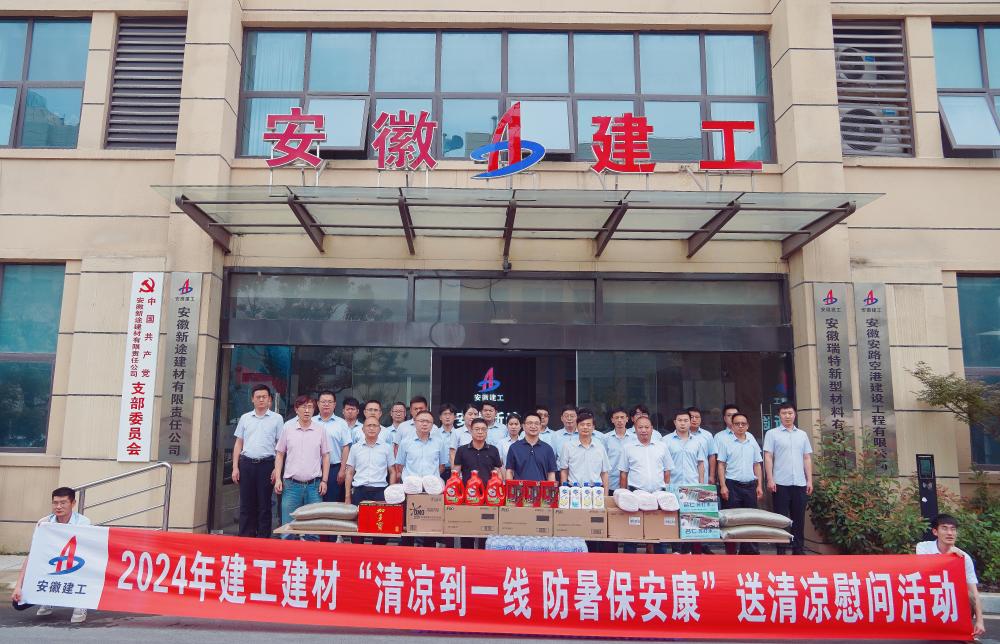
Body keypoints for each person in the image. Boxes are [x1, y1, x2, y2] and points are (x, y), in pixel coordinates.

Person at [11, 487, 91, 623]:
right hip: (52, 563)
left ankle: (80, 603)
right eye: (55, 503)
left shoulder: (83, 522)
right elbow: (33, 554)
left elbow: (88, 552)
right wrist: (18, 586)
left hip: (75, 563)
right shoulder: (44, 523)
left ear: (73, 503)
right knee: (18, 603)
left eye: (63, 503)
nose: (58, 507)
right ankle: (48, 598)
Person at [916, 514, 986, 639]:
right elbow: (926, 571)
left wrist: (980, 621)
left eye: (953, 529)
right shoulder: (923, 547)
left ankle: (960, 629)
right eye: (944, 528)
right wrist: (949, 556)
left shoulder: (964, 557)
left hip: (950, 595)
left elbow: (974, 592)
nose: (950, 533)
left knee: (969, 596)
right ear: (935, 532)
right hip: (929, 593)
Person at [274, 395, 330, 541]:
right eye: (303, 407)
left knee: (313, 530)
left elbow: (326, 456)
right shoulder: (288, 428)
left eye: (310, 407)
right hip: (291, 486)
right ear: (296, 409)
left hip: (314, 486)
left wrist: (324, 480)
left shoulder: (320, 430)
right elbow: (280, 454)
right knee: (288, 529)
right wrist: (278, 479)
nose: (307, 410)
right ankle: (288, 555)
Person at [232, 384, 282, 538]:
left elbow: (280, 447)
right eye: (258, 397)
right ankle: (245, 538)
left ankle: (263, 539)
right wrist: (235, 467)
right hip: (246, 464)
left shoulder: (277, 419)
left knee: (264, 505)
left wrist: (276, 469)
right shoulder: (245, 418)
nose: (261, 399)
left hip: (267, 465)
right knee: (246, 504)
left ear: (269, 400)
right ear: (252, 399)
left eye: (264, 397)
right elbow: (238, 444)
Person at [763, 402, 813, 555]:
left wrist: (809, 480)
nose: (787, 416)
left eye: (790, 413)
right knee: (781, 519)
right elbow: (768, 457)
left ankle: (798, 550)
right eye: (784, 413)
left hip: (800, 483)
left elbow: (806, 458)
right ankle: (781, 550)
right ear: (779, 415)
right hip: (780, 483)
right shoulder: (772, 434)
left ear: (795, 414)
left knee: (799, 519)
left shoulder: (802, 434)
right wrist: (770, 479)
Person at [620, 416, 674, 554]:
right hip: (635, 494)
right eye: (640, 427)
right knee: (632, 530)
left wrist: (665, 488)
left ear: (652, 429)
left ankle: (660, 559)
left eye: (646, 427)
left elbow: (667, 471)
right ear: (635, 429)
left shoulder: (661, 446)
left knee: (659, 531)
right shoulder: (628, 448)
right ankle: (629, 560)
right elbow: (624, 473)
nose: (643, 430)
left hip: (658, 494)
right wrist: (625, 495)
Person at [395, 410, 449, 547]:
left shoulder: (439, 442)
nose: (424, 424)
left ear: (432, 425)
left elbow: (442, 466)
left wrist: (430, 481)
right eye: (421, 421)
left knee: (430, 527)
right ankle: (406, 554)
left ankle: (428, 556)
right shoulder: (405, 442)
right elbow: (400, 465)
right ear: (415, 423)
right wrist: (411, 481)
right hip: (410, 490)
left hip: (431, 491)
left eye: (428, 421)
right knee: (407, 526)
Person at [344, 416, 397, 544]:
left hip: (380, 492)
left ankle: (377, 554)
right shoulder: (355, 448)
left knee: (380, 529)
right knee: (358, 529)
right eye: (369, 425)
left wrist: (391, 494)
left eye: (375, 425)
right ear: (362, 429)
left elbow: (393, 471)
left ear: (380, 429)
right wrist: (347, 496)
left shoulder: (386, 448)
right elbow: (349, 472)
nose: (372, 428)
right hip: (360, 491)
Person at [717, 412, 764, 554]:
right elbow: (721, 465)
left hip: (750, 485)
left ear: (748, 426)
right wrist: (723, 486)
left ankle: (749, 552)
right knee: (731, 520)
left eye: (743, 424)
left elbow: (757, 464)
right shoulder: (726, 442)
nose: (740, 426)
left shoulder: (752, 440)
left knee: (750, 520)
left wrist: (759, 485)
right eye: (737, 424)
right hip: (732, 485)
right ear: (732, 426)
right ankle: (731, 552)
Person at [452, 418, 503, 549]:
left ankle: (483, 558)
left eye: (483, 429)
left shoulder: (493, 450)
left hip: (489, 498)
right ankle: (466, 558)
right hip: (468, 497)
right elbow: (455, 473)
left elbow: (498, 472)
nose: (480, 432)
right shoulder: (462, 450)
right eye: (477, 429)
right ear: (471, 430)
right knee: (466, 532)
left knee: (485, 533)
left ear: (487, 431)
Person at [558, 409, 610, 491]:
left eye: (588, 425)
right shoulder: (568, 446)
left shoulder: (600, 447)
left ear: (593, 428)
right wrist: (564, 491)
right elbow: (564, 470)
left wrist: (605, 494)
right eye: (582, 424)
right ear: (577, 427)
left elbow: (604, 473)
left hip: (596, 490)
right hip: (574, 489)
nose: (585, 427)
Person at [313, 390, 351, 503]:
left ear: (334, 404)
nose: (326, 404)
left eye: (330, 402)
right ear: (318, 404)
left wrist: (342, 470)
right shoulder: (311, 421)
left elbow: (346, 447)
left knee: (332, 503)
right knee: (313, 504)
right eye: (323, 401)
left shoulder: (341, 423)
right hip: (313, 468)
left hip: (334, 469)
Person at [505, 413, 558, 482]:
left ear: (540, 426)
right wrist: (509, 487)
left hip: (542, 488)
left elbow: (551, 473)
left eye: (536, 423)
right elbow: (509, 471)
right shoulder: (514, 448)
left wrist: (550, 488)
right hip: (519, 488)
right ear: (523, 426)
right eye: (530, 423)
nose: (533, 426)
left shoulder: (548, 449)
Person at [602, 406, 633, 493]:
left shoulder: (634, 439)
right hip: (610, 482)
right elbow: (602, 461)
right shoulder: (605, 438)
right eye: (616, 418)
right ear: (612, 420)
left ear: (627, 419)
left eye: (622, 417)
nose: (619, 420)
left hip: (630, 483)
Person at [437, 403, 459, 481]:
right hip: (438, 470)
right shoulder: (434, 433)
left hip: (456, 471)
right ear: (440, 417)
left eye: (450, 414)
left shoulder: (459, 433)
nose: (447, 417)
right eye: (445, 414)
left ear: (455, 417)